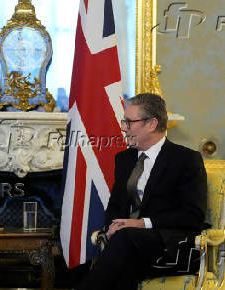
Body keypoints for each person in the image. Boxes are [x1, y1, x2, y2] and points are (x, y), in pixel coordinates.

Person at [77, 93, 207, 289]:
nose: (123, 128)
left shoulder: (186, 160)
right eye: (124, 121)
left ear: (152, 124)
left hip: (171, 245)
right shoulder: (124, 159)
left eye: (129, 122)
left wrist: (141, 223)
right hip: (129, 245)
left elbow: (193, 216)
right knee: (122, 260)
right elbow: (115, 207)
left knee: (125, 241)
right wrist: (112, 227)